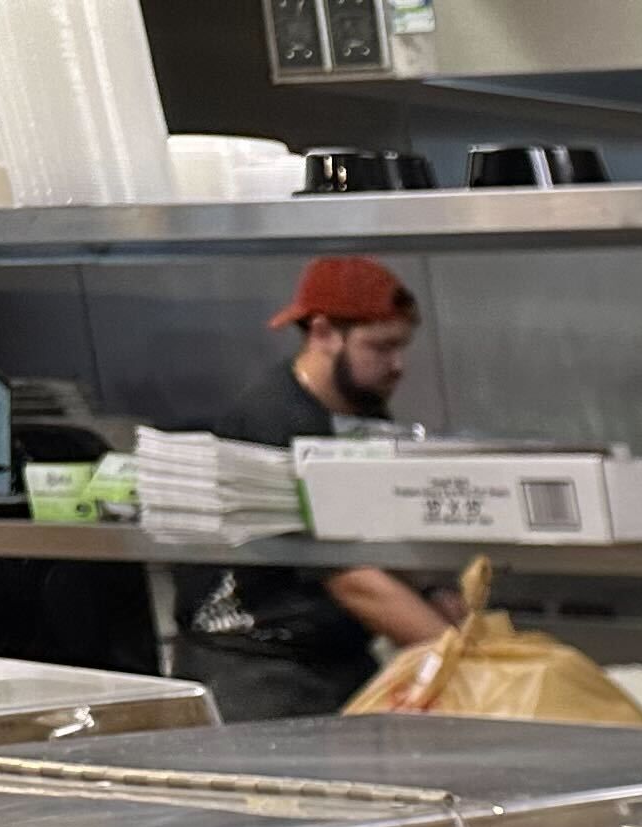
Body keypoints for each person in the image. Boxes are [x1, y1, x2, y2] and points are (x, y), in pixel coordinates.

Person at [176, 256, 458, 720]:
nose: (398, 365)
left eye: (402, 347)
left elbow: (379, 535)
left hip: (337, 657)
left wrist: (438, 595)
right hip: (255, 669)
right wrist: (460, 658)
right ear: (324, 333)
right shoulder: (276, 422)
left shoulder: (361, 414)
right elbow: (351, 579)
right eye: (381, 347)